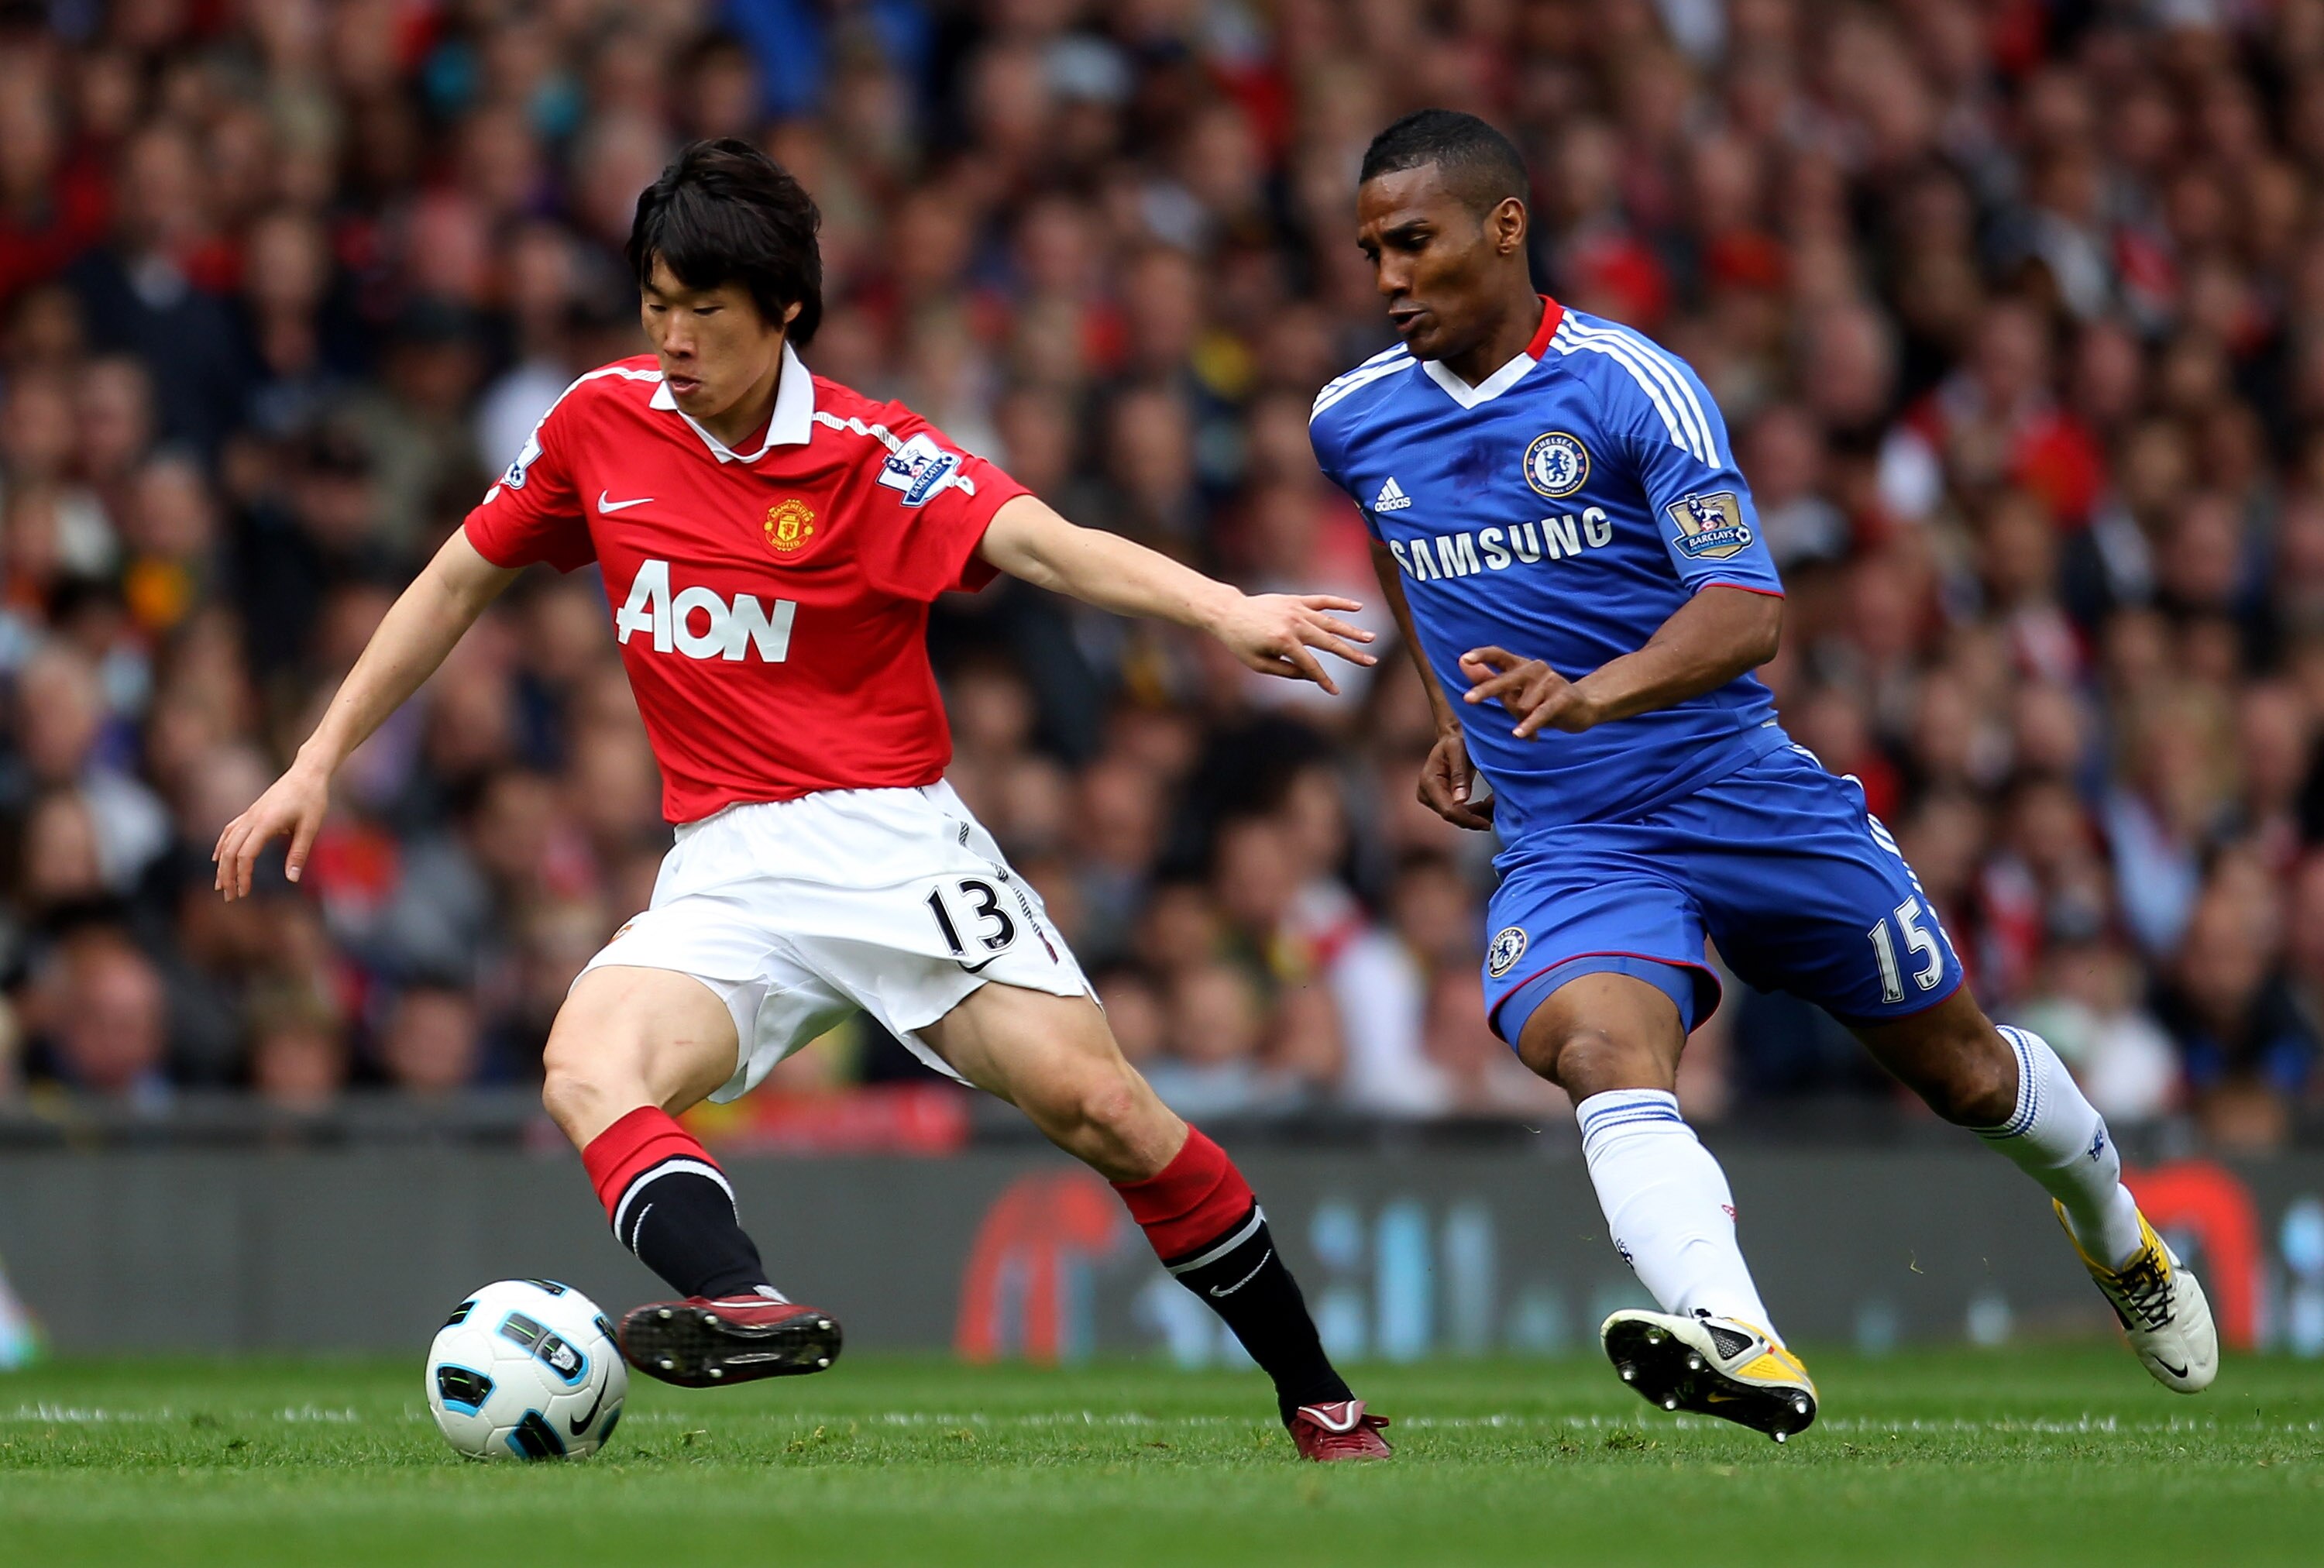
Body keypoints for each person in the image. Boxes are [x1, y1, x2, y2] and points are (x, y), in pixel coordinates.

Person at [216, 139, 1390, 1462]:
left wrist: (1221, 608)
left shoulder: (872, 455)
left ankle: (1320, 1395)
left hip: (891, 843)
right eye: (656, 305)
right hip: (724, 866)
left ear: (783, 311)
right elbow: (451, 583)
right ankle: (740, 1298)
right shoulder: (597, 424)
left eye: (703, 313)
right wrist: (318, 758)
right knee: (587, 1065)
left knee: (1106, 1111)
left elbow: (1042, 541)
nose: (671, 339)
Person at [1308, 110, 2216, 1441]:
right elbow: (1400, 545)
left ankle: (2116, 1232)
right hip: (1570, 832)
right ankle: (1742, 1340)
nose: (1384, 279)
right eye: (1370, 251)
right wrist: (1454, 709)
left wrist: (1592, 689)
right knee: (1598, 1050)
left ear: (1505, 227)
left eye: (1411, 244)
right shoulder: (1353, 420)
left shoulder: (1636, 388)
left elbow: (1747, 610)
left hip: (1738, 792)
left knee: (1966, 1075)